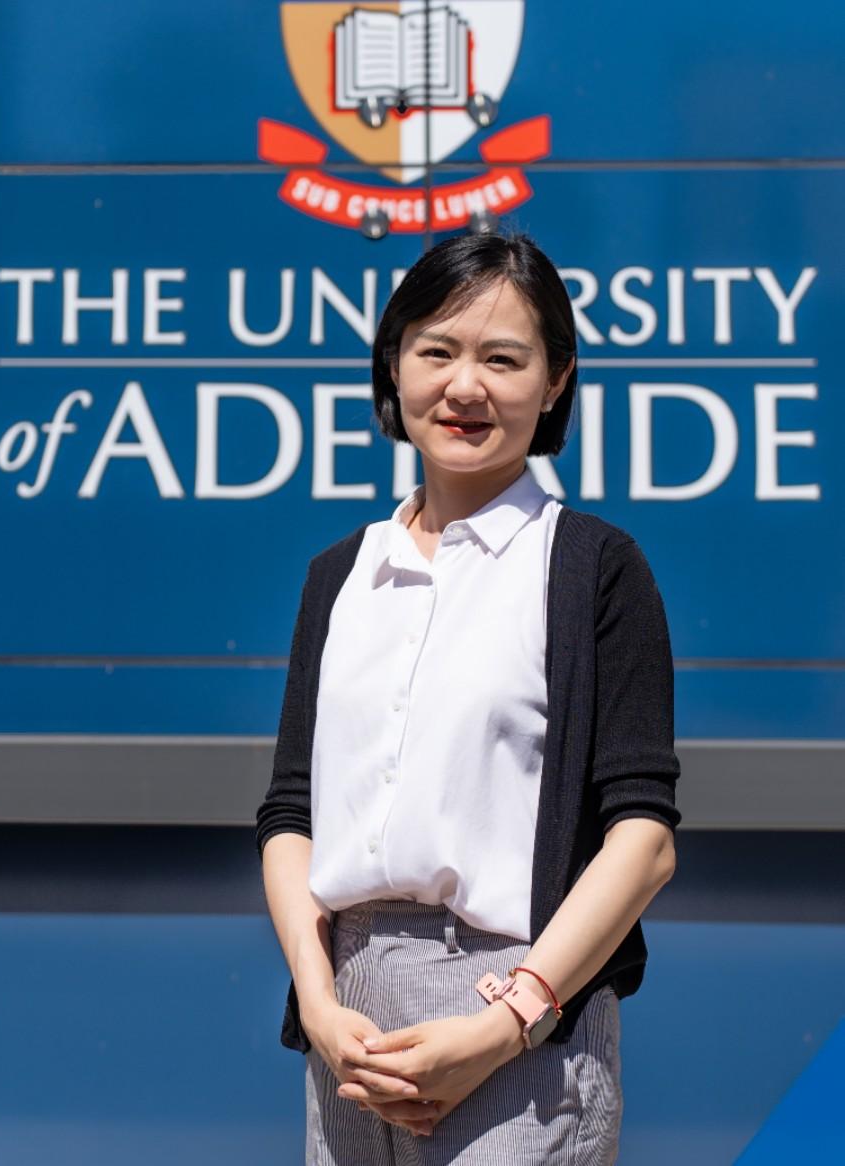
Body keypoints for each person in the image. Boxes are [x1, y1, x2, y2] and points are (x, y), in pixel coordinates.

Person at [256, 232, 680, 1165]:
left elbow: (642, 842)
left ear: (555, 380)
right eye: (436, 350)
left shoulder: (592, 570)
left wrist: (509, 1023)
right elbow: (292, 815)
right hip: (347, 1020)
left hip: (517, 1005)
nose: (465, 386)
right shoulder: (339, 576)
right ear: (394, 361)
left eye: (503, 358)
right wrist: (320, 1002)